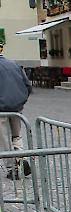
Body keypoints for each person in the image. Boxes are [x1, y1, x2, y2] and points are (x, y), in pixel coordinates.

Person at [0, 41, 32, 180]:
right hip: (16, 108)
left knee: (4, 139)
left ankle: (12, 169)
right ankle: (20, 159)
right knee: (16, 136)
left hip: (1, 109)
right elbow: (27, 85)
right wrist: (21, 100)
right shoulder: (13, 64)